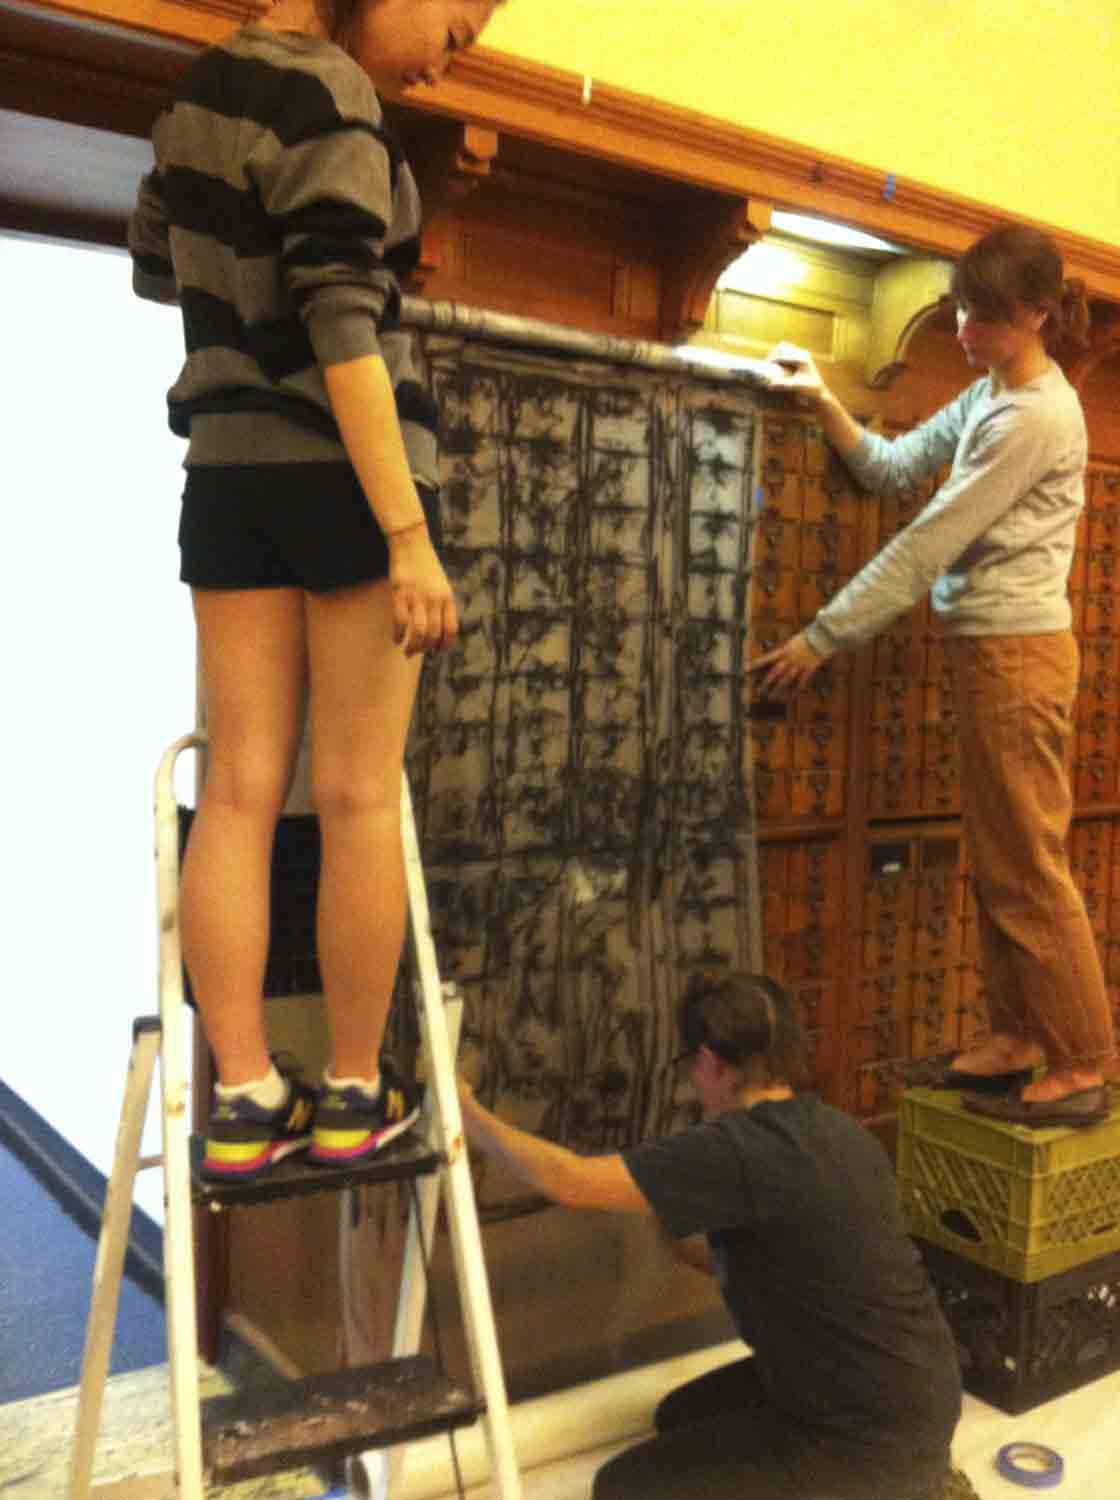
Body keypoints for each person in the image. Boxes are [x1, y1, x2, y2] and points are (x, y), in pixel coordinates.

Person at [128, 0, 501, 1178]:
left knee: (237, 791)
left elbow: (154, 264)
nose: (465, 42)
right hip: (345, 473)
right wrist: (407, 532)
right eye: (461, 12)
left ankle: (240, 1097)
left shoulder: (195, 100)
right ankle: (349, 1090)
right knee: (351, 795)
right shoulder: (335, 94)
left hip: (228, 470)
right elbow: (344, 322)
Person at [751, 223, 1117, 1129]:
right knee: (1001, 862)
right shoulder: (992, 390)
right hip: (990, 652)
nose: (963, 329)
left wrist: (819, 639)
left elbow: (925, 547)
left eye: (985, 316)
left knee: (1028, 864)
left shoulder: (1035, 417)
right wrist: (825, 398)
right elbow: (890, 469)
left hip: (1017, 656)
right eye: (960, 308)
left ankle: (1083, 1058)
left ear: (1034, 314)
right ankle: (1017, 1032)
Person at [459, 970, 963, 1500]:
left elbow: (566, 1181)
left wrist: (464, 1110)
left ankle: (903, 1489)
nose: (692, 1086)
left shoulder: (741, 1148)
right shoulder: (835, 1130)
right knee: (679, 1415)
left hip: (866, 1438)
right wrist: (658, 1201)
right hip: (914, 1393)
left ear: (708, 1062)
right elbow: (781, 1264)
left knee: (623, 1487)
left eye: (689, 1070)